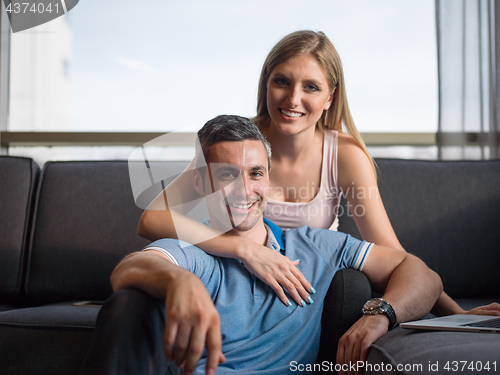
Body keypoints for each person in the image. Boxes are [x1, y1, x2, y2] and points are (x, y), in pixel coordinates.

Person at [137, 30, 500, 316]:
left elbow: (393, 252)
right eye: (282, 81)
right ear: (266, 83)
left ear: (330, 97)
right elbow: (151, 220)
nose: (293, 99)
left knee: (354, 284)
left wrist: (456, 315)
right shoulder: (238, 142)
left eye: (310, 87)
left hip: (310, 295)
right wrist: (241, 250)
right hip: (236, 280)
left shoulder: (344, 155)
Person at [82, 115, 443, 375]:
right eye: (226, 175)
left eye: (255, 173)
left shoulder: (315, 246)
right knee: (128, 303)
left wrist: (381, 314)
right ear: (199, 182)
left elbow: (419, 273)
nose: (244, 189)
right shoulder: (194, 249)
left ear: (268, 179)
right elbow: (129, 269)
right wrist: (179, 282)